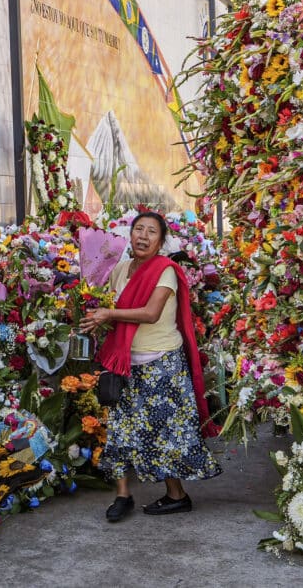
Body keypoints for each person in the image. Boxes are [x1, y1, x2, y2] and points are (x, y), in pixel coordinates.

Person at [79, 211, 221, 522]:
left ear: (161, 241)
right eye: (138, 229)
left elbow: (151, 313)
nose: (143, 236)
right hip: (126, 362)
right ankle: (122, 495)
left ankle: (177, 495)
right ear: (129, 235)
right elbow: (107, 304)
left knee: (165, 431)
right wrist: (91, 312)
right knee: (119, 428)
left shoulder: (165, 271)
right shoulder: (120, 270)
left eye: (151, 232)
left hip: (162, 364)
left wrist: (108, 315)